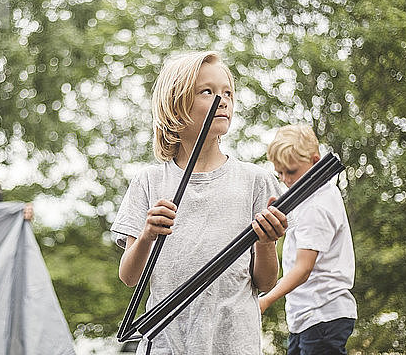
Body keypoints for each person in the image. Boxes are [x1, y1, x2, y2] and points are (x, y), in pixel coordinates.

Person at [111, 51, 288, 354]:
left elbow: (266, 281)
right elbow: (129, 277)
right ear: (176, 105)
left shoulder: (255, 180)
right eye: (208, 92)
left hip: (233, 345)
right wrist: (146, 236)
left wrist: (265, 242)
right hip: (168, 346)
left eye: (228, 92)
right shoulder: (150, 181)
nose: (223, 100)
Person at [259, 124, 357, 355]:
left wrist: (265, 300)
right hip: (305, 317)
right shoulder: (308, 199)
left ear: (315, 161)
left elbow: (303, 268)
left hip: (323, 315)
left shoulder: (318, 204)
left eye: (291, 172)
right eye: (279, 173)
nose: (285, 180)